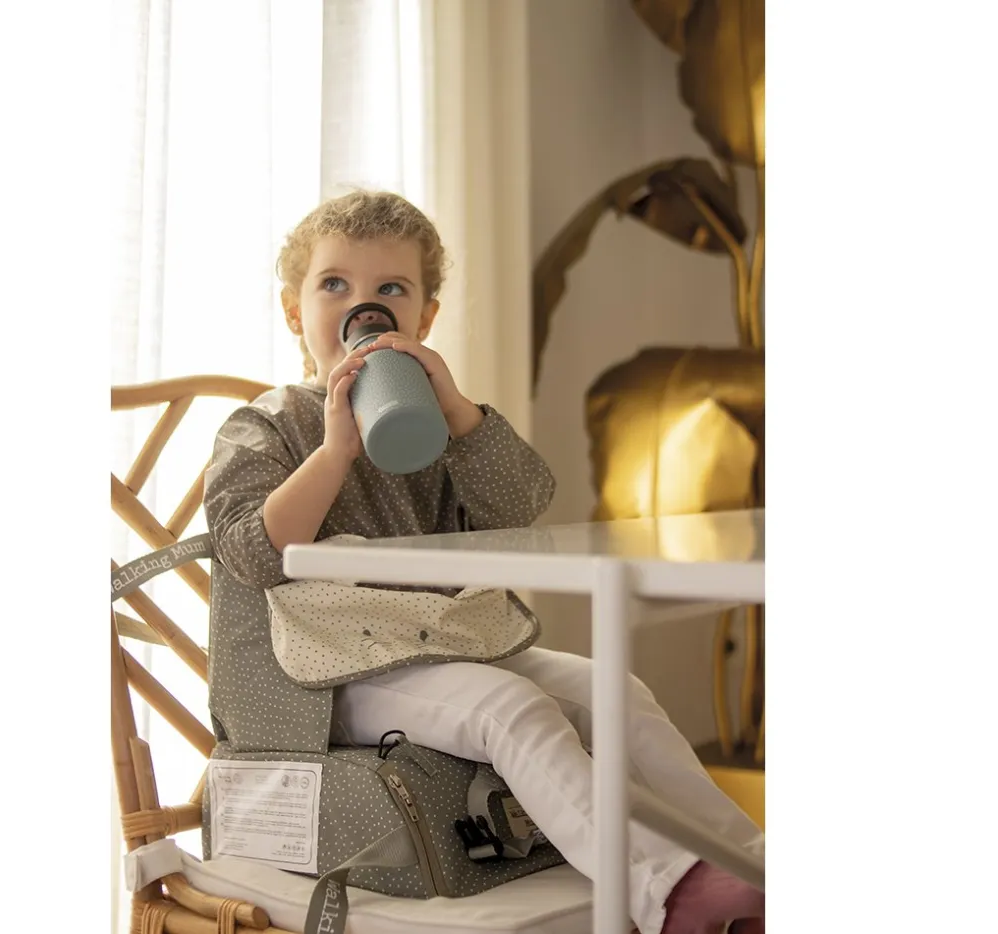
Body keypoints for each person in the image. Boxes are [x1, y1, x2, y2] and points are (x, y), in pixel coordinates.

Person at [203, 189, 765, 934]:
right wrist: (336, 451)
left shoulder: (430, 428)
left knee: (618, 693)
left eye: (390, 289)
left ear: (424, 318)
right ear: (293, 311)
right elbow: (251, 551)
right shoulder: (268, 423)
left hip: (438, 646)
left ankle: (748, 864)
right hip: (322, 675)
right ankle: (666, 890)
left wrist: (458, 412)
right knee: (512, 710)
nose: (363, 305)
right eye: (334, 284)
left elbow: (520, 504)